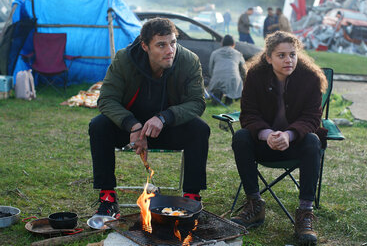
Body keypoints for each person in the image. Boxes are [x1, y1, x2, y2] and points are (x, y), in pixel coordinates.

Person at [89, 18, 210, 218]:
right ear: (145, 46)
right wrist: (132, 125)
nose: (169, 50)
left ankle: (191, 198)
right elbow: (106, 100)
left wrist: (164, 117)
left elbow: (197, 102)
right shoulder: (124, 60)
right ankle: (107, 197)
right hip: (130, 130)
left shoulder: (188, 61)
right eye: (161, 45)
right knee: (98, 125)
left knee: (199, 129)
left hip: (168, 127)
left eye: (173, 43)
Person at [230, 31, 328, 245]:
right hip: (263, 143)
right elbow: (248, 114)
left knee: (313, 140)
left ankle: (305, 213)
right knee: (241, 137)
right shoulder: (256, 75)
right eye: (281, 55)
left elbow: (312, 117)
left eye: (292, 54)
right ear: (268, 57)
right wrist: (267, 135)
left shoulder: (310, 77)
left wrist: (289, 135)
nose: (288, 60)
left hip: (296, 144)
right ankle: (254, 204)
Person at [208, 35, 246, 105]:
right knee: (234, 80)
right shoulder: (238, 54)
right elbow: (243, 70)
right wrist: (243, 80)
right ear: (233, 44)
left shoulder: (215, 53)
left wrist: (213, 77)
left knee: (218, 84)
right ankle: (230, 98)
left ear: (221, 43)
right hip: (233, 80)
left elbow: (210, 68)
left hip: (217, 79)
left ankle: (217, 95)